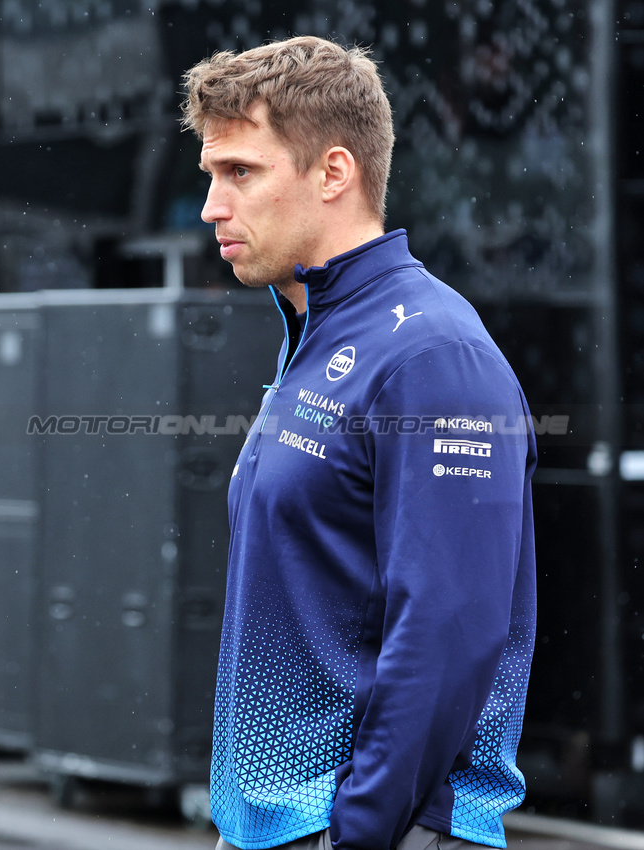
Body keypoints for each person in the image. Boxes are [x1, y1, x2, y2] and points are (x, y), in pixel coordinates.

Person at [182, 37, 536, 850]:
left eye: (239, 172)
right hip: (281, 829)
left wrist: (359, 833)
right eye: (210, 175)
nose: (210, 205)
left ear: (333, 173)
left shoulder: (432, 355)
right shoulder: (316, 332)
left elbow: (448, 627)